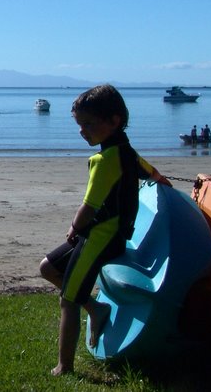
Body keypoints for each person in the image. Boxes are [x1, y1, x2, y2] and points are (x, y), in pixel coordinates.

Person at [39, 84, 171, 377]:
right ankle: (97, 309)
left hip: (100, 238)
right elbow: (149, 170)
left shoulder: (105, 161)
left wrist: (74, 228)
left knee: (68, 300)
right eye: (79, 125)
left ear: (114, 120)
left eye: (88, 124)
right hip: (105, 236)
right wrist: (161, 180)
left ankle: (65, 366)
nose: (82, 131)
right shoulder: (127, 152)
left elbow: (88, 207)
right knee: (48, 267)